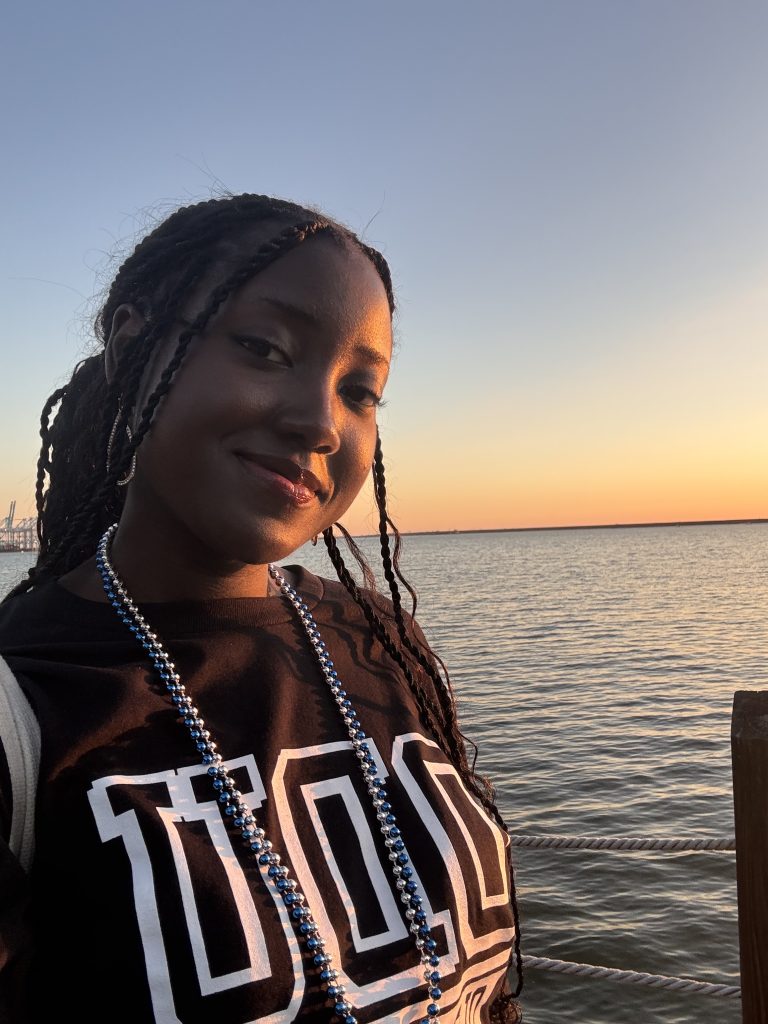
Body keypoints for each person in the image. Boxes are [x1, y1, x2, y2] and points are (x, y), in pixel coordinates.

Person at [0, 194, 523, 1023]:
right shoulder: (25, 699)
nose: (320, 423)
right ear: (135, 348)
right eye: (263, 348)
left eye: (360, 390)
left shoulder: (381, 641)